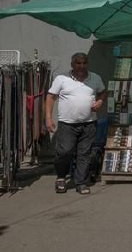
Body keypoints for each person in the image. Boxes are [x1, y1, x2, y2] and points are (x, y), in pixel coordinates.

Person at [45, 52, 107, 195]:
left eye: (84, 63)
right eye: (78, 63)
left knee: (84, 154)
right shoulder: (61, 79)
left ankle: (80, 182)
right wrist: (48, 118)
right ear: (72, 64)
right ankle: (61, 177)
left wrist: (100, 101)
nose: (81, 66)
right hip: (67, 124)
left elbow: (103, 92)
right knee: (64, 152)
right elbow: (50, 97)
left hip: (89, 123)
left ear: (87, 64)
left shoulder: (95, 78)